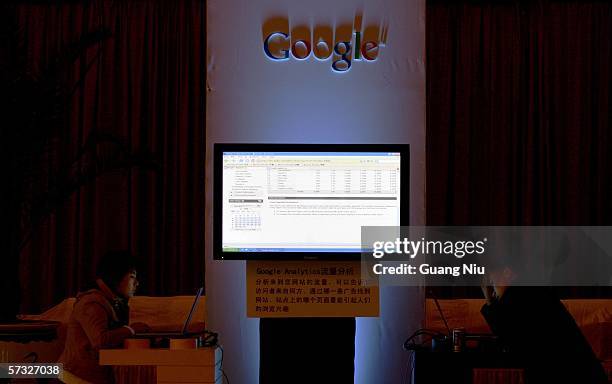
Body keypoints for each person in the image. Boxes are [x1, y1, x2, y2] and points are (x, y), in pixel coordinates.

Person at [481, 267, 608, 384]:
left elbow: (509, 338)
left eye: (492, 284)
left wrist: (490, 302)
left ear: (507, 273)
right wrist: (490, 301)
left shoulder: (521, 294)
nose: (493, 291)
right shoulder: (527, 290)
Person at [59, 251, 150, 384]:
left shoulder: (109, 300)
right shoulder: (92, 301)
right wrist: (131, 330)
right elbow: (100, 340)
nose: (136, 283)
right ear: (115, 276)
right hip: (78, 377)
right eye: (132, 276)